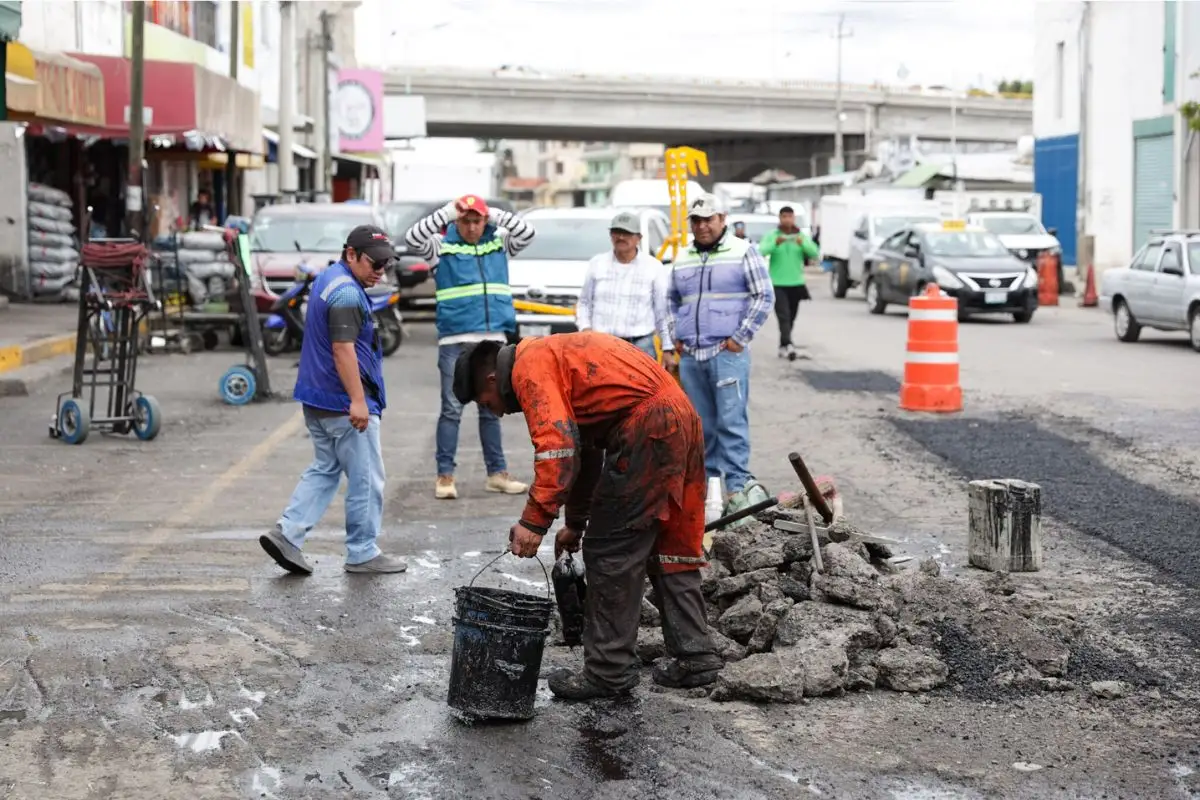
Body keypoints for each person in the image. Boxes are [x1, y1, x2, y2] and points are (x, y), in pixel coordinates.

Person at [452, 333, 723, 700]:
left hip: (648, 427)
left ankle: (608, 671)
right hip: (679, 418)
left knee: (611, 552)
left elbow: (557, 451)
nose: (495, 413)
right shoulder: (553, 357)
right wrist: (574, 523)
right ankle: (696, 656)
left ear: (491, 379)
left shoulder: (530, 367)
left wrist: (533, 523)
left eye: (487, 403)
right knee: (670, 547)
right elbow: (585, 454)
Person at [259, 225, 407, 575]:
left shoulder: (330, 278)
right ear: (351, 254)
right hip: (343, 402)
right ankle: (362, 551)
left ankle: (288, 534)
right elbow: (343, 349)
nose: (380, 271)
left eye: (386, 264)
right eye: (375, 263)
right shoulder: (347, 294)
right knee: (366, 478)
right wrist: (358, 401)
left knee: (325, 468)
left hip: (317, 397)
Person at [404, 194, 536, 500]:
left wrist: (495, 214)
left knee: (492, 407)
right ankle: (445, 476)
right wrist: (448, 211)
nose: (472, 227)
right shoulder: (440, 247)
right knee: (452, 409)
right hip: (455, 339)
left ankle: (497, 474)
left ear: (485, 221)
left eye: (477, 221)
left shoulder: (499, 243)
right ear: (457, 221)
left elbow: (528, 233)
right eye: (466, 221)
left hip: (493, 341)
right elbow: (413, 238)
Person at [665, 193, 773, 522]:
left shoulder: (743, 251)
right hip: (692, 355)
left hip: (726, 355)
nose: (701, 226)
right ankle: (706, 489)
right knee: (699, 427)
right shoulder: (683, 256)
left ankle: (737, 488)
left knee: (731, 422)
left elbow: (764, 295)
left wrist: (740, 338)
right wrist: (675, 336)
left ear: (722, 219)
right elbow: (671, 300)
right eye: (696, 220)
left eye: (708, 219)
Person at [575, 210, 673, 362]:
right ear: (610, 235)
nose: (621, 237)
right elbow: (584, 302)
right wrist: (585, 329)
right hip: (601, 345)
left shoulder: (653, 267)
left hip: (640, 346)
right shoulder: (597, 263)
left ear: (638, 237)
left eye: (627, 233)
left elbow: (662, 310)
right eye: (616, 232)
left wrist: (667, 346)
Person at [758, 206, 820, 361]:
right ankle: (788, 344)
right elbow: (761, 251)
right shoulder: (772, 235)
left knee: (791, 316)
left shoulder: (800, 236)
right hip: (778, 283)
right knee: (783, 316)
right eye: (784, 216)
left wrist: (802, 243)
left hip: (796, 283)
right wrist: (775, 243)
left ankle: (783, 345)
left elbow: (815, 253)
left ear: (794, 218)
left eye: (790, 217)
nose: (787, 220)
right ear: (780, 218)